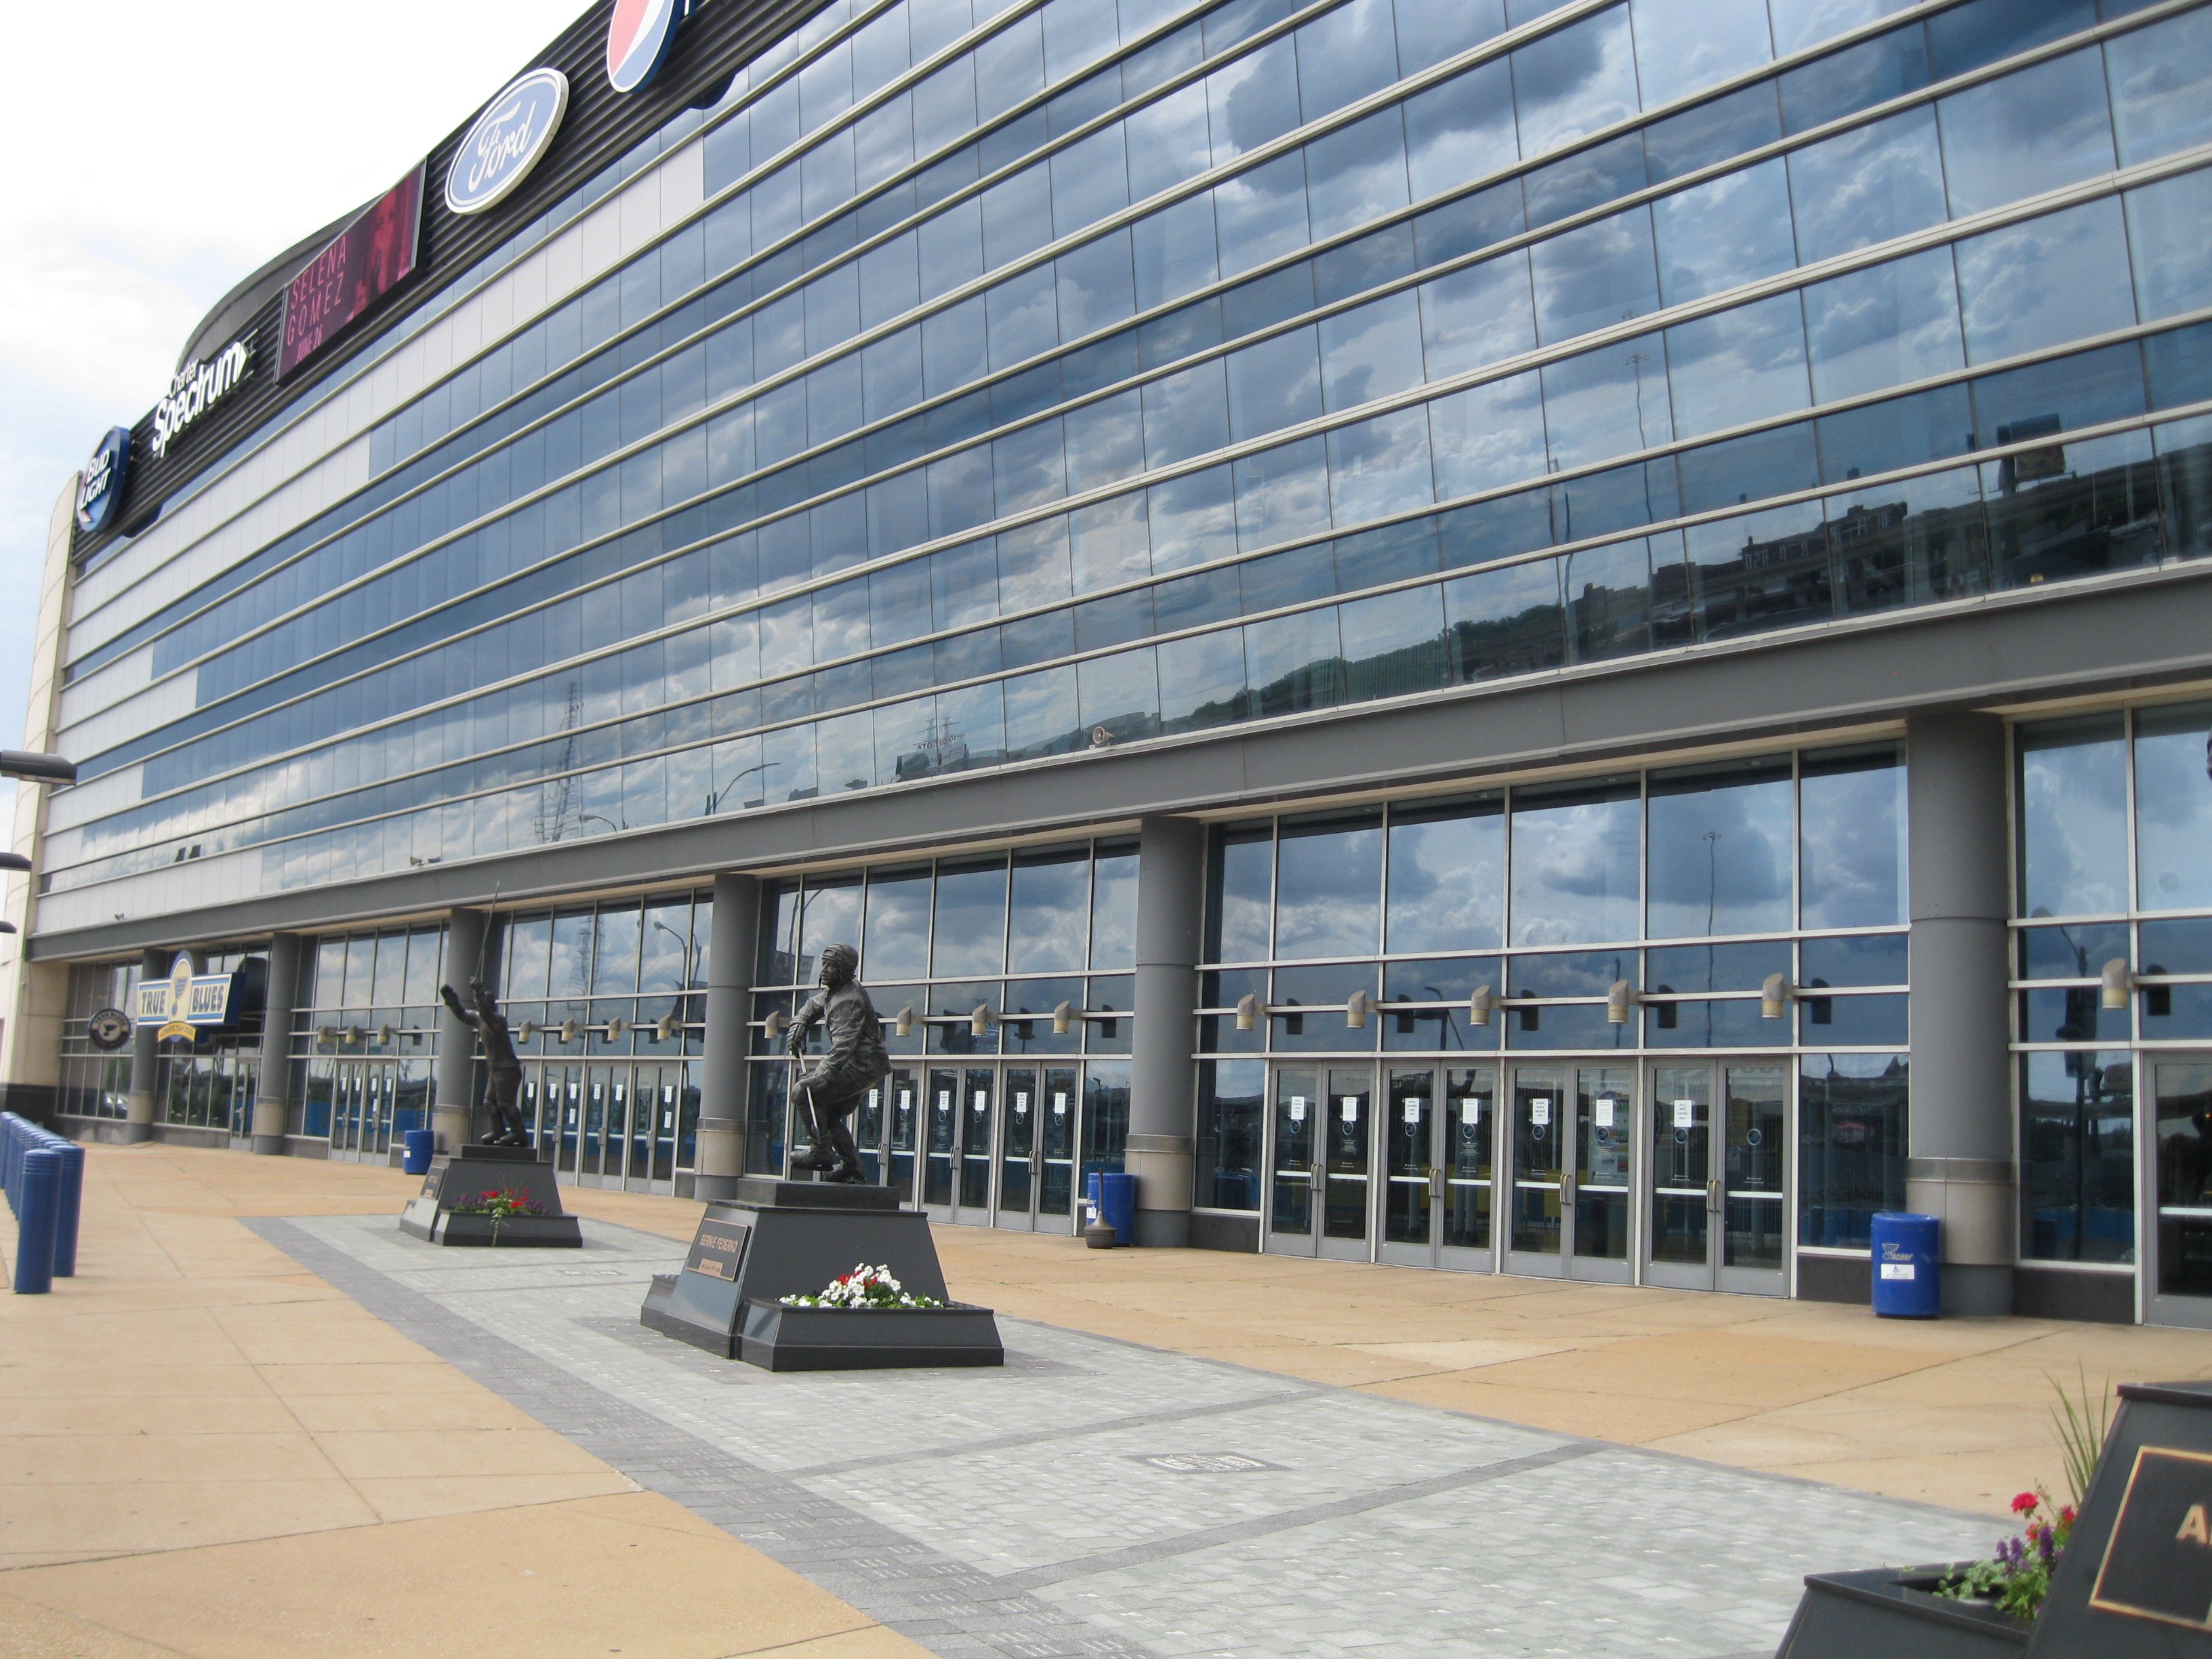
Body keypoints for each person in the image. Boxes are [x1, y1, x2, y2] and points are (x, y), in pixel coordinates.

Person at [785, 943, 888, 1183]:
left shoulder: (849, 1001)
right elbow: (813, 1005)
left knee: (804, 1092)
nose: (825, 970)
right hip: (859, 1063)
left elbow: (843, 1047)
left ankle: (820, 1150)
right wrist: (800, 1023)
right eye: (824, 964)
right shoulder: (837, 991)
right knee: (827, 1114)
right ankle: (852, 1166)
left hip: (861, 1065)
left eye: (831, 966)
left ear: (844, 970)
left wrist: (820, 1075)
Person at [440, 977, 531, 1146]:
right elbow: (463, 1014)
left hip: (507, 1070)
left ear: (488, 1005)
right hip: (496, 1070)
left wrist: (478, 991)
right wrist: (452, 1001)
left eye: (479, 1002)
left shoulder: (497, 1021)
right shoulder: (480, 1019)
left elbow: (485, 1013)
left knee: (505, 1104)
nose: (476, 1004)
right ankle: (499, 1131)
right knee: (489, 1103)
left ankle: (519, 1134)